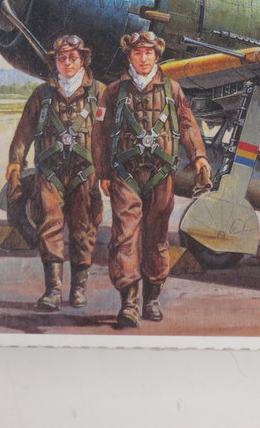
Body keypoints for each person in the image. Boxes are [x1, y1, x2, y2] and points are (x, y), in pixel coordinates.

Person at [92, 31, 212, 328]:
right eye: (137, 53)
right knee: (124, 238)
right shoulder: (113, 92)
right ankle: (128, 303)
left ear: (156, 56)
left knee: (157, 238)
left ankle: (152, 299)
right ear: (129, 57)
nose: (143, 58)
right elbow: (99, 134)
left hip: (161, 175)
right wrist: (103, 173)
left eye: (148, 53)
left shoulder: (173, 89)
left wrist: (199, 157)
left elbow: (188, 125)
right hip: (125, 174)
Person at [6, 35, 105, 311]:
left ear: (83, 60)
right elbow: (24, 131)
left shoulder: (100, 92)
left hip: (85, 173)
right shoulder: (42, 94)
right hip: (49, 174)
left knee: (84, 230)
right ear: (55, 62)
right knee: (49, 227)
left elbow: (112, 133)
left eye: (73, 57)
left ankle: (79, 289)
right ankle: (53, 291)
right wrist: (15, 163)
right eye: (61, 58)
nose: (67, 63)